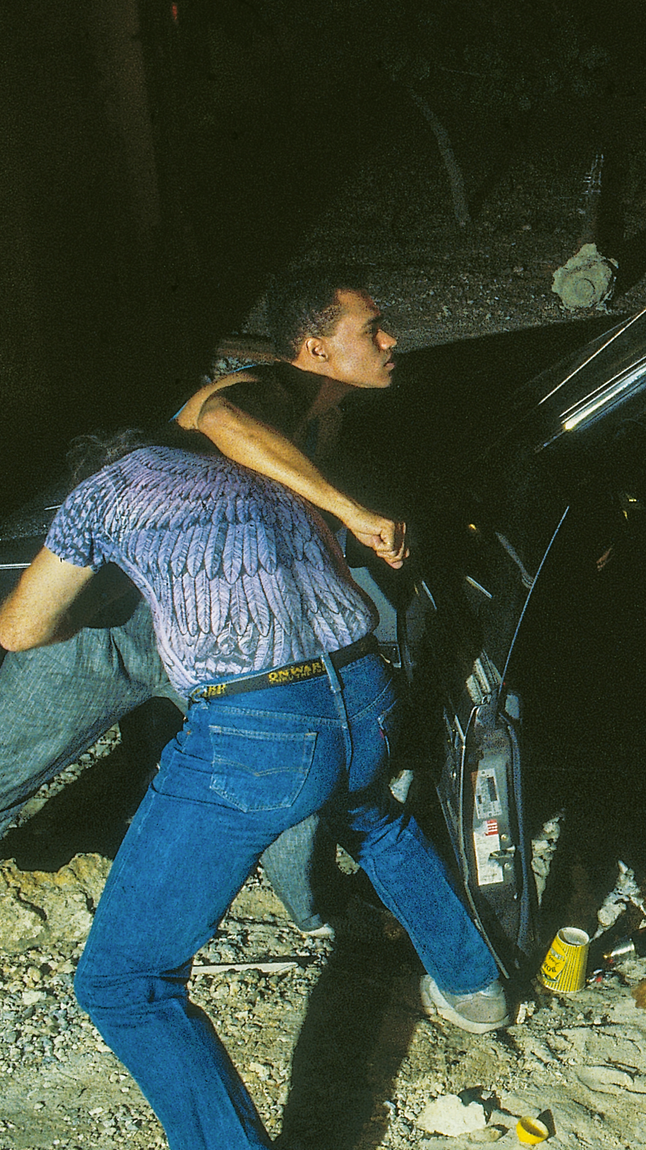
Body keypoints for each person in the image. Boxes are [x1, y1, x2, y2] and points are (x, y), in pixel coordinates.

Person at [0, 431, 508, 1150]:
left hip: (257, 728)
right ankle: (476, 989)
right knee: (374, 819)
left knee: (124, 983)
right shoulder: (259, 473)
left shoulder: (102, 493)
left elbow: (21, 629)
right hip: (365, 691)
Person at [0, 267, 407, 936]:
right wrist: (353, 512)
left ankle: (318, 912)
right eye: (372, 330)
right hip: (113, 631)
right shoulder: (262, 391)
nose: (391, 341)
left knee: (290, 772)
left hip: (217, 645)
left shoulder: (322, 421)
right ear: (317, 348)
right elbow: (221, 419)